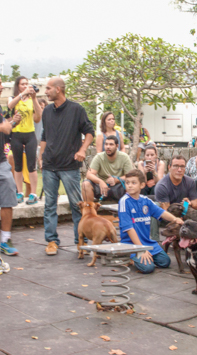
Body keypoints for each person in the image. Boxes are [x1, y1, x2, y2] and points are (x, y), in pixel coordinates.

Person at [40, 77, 94, 256]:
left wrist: (83, 149)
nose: (45, 92)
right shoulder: (47, 111)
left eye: (48, 88)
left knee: (76, 205)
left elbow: (89, 132)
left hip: (69, 166)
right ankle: (52, 241)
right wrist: (41, 158)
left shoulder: (76, 109)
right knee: (49, 205)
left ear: (58, 89)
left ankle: (81, 241)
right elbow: (44, 137)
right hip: (49, 166)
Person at [118, 169, 185, 273]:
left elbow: (161, 212)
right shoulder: (124, 202)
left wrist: (175, 219)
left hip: (147, 242)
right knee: (148, 268)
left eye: (133, 183)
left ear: (142, 185)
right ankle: (130, 256)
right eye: (127, 183)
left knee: (165, 262)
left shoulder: (146, 200)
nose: (130, 185)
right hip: (131, 244)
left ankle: (145, 257)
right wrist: (141, 249)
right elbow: (129, 229)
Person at [7, 76, 42, 206]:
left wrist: (34, 98)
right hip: (16, 134)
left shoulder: (31, 100)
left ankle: (33, 193)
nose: (25, 86)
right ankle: (19, 193)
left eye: (27, 84)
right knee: (18, 165)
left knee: (31, 165)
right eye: (22, 84)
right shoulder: (14, 98)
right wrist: (22, 94)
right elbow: (10, 105)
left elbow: (38, 118)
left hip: (30, 134)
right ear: (18, 86)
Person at [82, 135, 134, 204]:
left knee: (132, 183)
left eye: (111, 144)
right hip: (102, 188)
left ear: (117, 146)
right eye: (106, 144)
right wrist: (100, 181)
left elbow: (130, 176)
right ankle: (89, 211)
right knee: (85, 184)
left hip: (119, 187)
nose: (108, 147)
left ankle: (130, 210)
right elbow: (89, 174)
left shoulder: (124, 157)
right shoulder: (99, 157)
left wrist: (116, 180)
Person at [0, 99, 21, 255]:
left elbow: (7, 129)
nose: (0, 87)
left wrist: (11, 123)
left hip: (1, 162)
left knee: (8, 197)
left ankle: (5, 240)